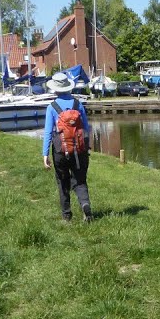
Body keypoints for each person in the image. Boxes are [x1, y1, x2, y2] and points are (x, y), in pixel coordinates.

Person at [42, 71, 93, 223]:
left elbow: (47, 133)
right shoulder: (78, 104)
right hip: (79, 150)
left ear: (55, 89)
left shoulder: (52, 107)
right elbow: (85, 129)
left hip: (60, 151)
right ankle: (85, 205)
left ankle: (67, 216)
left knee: (62, 182)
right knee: (80, 180)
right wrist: (86, 148)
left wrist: (45, 154)